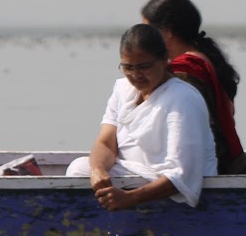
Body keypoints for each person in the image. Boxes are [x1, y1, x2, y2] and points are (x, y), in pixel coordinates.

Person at [67, 23, 217, 210]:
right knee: (80, 169)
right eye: (128, 67)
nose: (136, 75)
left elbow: (182, 174)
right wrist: (98, 170)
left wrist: (130, 198)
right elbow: (106, 142)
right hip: (132, 173)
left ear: (164, 60)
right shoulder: (122, 89)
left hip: (166, 183)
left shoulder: (182, 98)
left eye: (144, 67)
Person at [140, 0, 246, 173]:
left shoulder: (184, 71)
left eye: (148, 32)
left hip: (214, 171)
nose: (143, 41)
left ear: (167, 32)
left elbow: (191, 130)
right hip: (230, 163)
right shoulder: (205, 59)